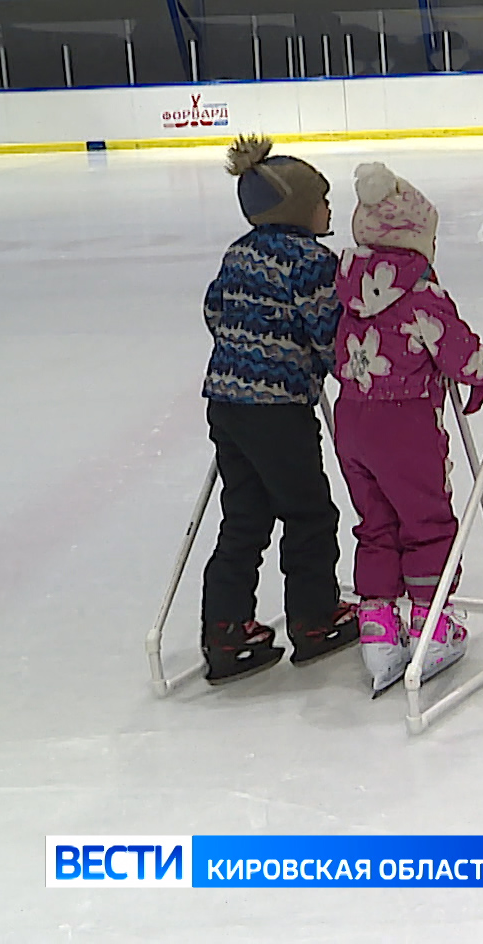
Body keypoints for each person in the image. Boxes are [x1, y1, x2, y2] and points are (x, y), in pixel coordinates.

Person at [331, 163, 483, 695]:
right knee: (426, 521)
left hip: (353, 422)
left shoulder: (346, 293)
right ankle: (431, 623)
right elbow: (461, 356)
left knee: (376, 520)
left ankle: (377, 625)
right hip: (405, 424)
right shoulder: (421, 297)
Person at [199, 135, 358, 683]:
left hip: (226, 403)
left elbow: (214, 308)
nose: (330, 209)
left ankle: (225, 629)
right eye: (323, 199)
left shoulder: (238, 251)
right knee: (309, 512)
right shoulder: (313, 262)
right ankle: (314, 619)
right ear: (296, 209)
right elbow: (328, 333)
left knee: (244, 516)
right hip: (279, 410)